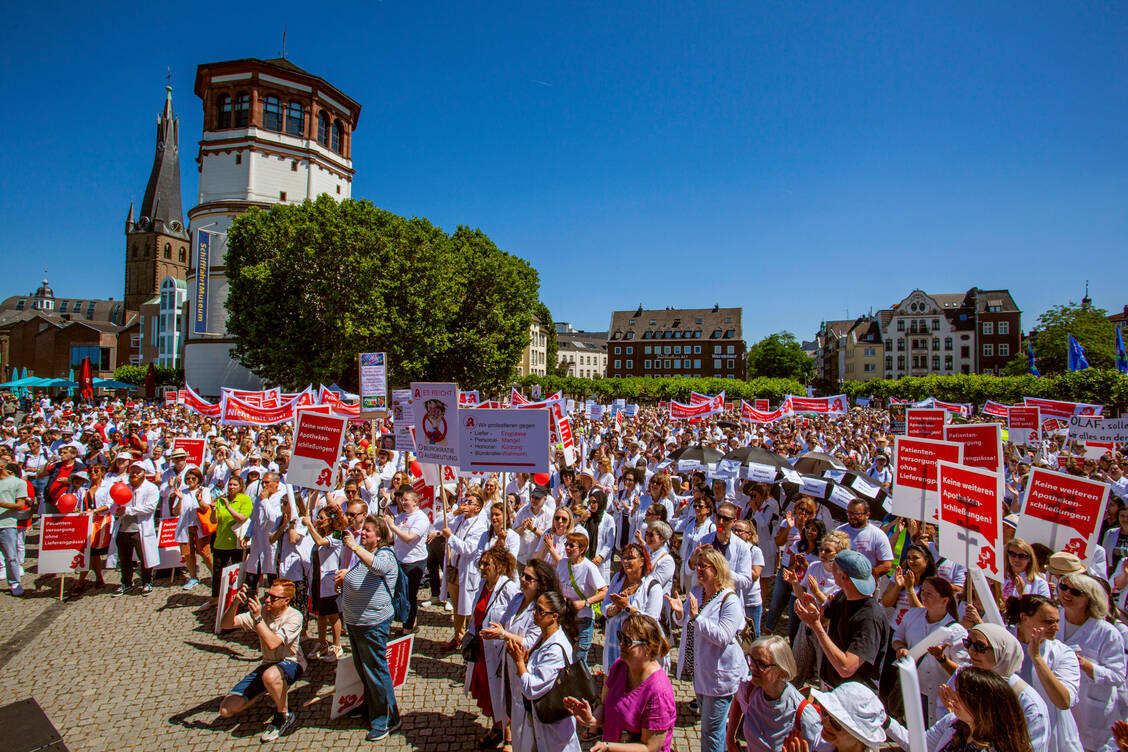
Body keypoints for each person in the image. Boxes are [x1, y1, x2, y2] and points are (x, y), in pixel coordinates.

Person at [668, 547, 746, 752]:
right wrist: (679, 613)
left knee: (712, 732)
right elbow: (685, 621)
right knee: (710, 727)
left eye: (704, 566)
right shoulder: (697, 591)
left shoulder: (730, 600)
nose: (699, 569)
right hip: (701, 670)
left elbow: (722, 636)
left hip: (720, 675)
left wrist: (697, 617)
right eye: (698, 565)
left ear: (718, 570)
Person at [565, 612, 678, 752]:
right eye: (621, 637)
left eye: (627, 641)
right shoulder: (620, 666)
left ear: (648, 648)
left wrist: (608, 747)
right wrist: (592, 720)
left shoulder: (659, 692)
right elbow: (605, 704)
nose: (621, 644)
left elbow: (650, 747)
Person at [481, 558, 557, 751]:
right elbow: (506, 621)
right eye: (523, 575)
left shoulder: (541, 610)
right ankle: (511, 738)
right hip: (509, 662)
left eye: (528, 578)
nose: (522, 579)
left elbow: (531, 641)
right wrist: (499, 632)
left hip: (527, 668)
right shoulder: (517, 598)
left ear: (541, 584)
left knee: (525, 719)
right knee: (511, 707)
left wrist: (503, 634)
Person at [218, 578, 305, 742]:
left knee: (270, 676)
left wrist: (257, 619)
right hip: (268, 665)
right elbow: (226, 624)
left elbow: (273, 643)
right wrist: (235, 602)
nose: (267, 600)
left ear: (286, 601)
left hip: (292, 661)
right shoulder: (263, 611)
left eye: (273, 597)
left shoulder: (294, 616)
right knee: (226, 709)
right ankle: (270, 691)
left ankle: (283, 715)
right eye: (267, 595)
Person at [339, 514, 402, 742]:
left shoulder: (385, 555)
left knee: (376, 671)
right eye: (362, 530)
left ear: (380, 536)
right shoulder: (365, 553)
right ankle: (371, 707)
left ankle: (387, 717)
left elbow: (376, 568)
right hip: (356, 621)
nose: (363, 533)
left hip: (373, 623)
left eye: (368, 531)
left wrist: (354, 546)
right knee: (363, 668)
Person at [794, 549, 890, 691]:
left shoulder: (870, 618)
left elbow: (846, 668)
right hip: (833, 688)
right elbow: (824, 620)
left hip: (854, 700)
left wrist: (815, 625)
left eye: (834, 567)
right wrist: (813, 613)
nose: (830, 571)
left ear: (843, 576)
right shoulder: (842, 596)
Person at [1056, 573, 1125, 752]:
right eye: (1064, 587)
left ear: (1090, 598)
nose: (1067, 594)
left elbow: (1118, 676)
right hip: (1058, 703)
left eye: (1076, 592)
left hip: (1091, 713)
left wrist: (1085, 665)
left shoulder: (1107, 633)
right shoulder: (1052, 620)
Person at [1007, 594, 1082, 752]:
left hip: (1053, 739)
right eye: (1048, 622)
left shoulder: (1063, 654)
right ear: (1024, 618)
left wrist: (1037, 658)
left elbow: (1063, 701)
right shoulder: (1004, 644)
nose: (1056, 627)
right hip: (1009, 732)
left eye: (1057, 621)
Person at [507, 590, 581, 752]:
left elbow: (532, 689)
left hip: (553, 730)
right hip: (541, 723)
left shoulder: (555, 649)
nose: (534, 613)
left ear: (554, 617)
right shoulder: (545, 639)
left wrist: (519, 663)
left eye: (540, 611)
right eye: (535, 608)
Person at [464, 545, 520, 749]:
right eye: (482, 563)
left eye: (487, 564)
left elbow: (517, 619)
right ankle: (497, 728)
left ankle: (510, 738)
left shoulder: (510, 589)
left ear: (500, 566)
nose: (481, 567)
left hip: (500, 650)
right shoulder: (483, 584)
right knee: (490, 692)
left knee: (504, 692)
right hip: (482, 649)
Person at [891, 576, 968, 722]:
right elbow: (897, 638)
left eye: (929, 594)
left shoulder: (957, 632)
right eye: (923, 591)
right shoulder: (912, 615)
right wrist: (901, 648)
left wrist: (942, 659)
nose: (923, 596)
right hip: (914, 690)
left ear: (945, 600)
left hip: (941, 698)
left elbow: (962, 672)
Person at [726, 635, 822, 752]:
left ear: (781, 671)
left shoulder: (804, 716)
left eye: (761, 664)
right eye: (751, 660)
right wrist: (730, 739)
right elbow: (737, 699)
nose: (752, 668)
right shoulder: (749, 689)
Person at [927, 667, 1034, 752]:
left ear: (981, 706)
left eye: (962, 694)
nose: (954, 697)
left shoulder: (997, 747)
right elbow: (919, 743)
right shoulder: (953, 723)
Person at [603, 542, 664, 670]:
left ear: (642, 561)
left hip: (638, 648)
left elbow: (651, 621)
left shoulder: (653, 587)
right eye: (624, 558)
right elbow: (605, 607)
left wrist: (628, 607)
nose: (626, 562)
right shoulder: (617, 579)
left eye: (630, 558)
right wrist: (615, 609)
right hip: (614, 643)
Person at [109, 459, 159, 596]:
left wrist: (128, 511)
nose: (135, 474)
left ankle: (147, 582)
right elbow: (113, 503)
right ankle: (126, 583)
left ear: (144, 473)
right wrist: (116, 511)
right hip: (123, 528)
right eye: (133, 472)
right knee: (124, 559)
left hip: (140, 528)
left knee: (145, 557)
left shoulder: (151, 488)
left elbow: (150, 507)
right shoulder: (124, 487)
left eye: (138, 472)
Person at [556, 531, 607, 666]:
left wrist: (585, 603)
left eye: (571, 546)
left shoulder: (589, 568)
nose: (567, 548)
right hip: (566, 617)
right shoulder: (562, 564)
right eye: (566, 545)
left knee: (579, 660)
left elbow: (604, 591)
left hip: (583, 619)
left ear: (582, 549)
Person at [301, 503, 345, 660]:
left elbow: (320, 542)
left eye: (321, 518)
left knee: (333, 615)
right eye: (317, 517)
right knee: (321, 615)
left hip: (329, 582)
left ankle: (337, 644)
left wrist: (309, 526)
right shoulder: (321, 533)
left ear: (330, 520)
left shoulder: (338, 535)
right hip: (317, 581)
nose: (318, 520)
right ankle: (322, 643)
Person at [384, 488, 430, 635]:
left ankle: (409, 626)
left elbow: (409, 538)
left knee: (410, 594)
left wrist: (393, 526)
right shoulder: (401, 516)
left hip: (414, 561)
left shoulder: (421, 518)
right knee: (401, 593)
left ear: (415, 502)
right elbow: (392, 538)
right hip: (400, 559)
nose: (403, 502)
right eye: (402, 500)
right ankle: (405, 621)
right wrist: (388, 526)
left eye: (406, 500)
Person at [799, 682, 887, 752]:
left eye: (835, 723)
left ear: (859, 738)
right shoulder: (821, 743)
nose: (823, 722)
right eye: (825, 712)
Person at [170, 466, 214, 590]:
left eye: (193, 478)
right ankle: (193, 577)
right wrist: (179, 499)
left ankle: (215, 575)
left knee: (205, 553)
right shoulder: (182, 492)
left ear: (198, 479)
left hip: (200, 526)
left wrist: (199, 500)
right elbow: (175, 512)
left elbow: (206, 508)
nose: (190, 481)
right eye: (188, 479)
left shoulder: (204, 490)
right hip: (185, 527)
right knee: (188, 553)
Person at [210, 476, 252, 604]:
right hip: (221, 541)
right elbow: (213, 521)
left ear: (240, 487)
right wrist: (213, 511)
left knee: (237, 573)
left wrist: (228, 507)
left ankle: (237, 600)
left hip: (236, 543)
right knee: (217, 572)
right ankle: (215, 599)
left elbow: (242, 518)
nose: (231, 487)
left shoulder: (244, 499)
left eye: (234, 485)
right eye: (230, 485)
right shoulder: (221, 500)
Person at [835, 499, 894, 579]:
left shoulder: (877, 534)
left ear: (867, 515)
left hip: (865, 584)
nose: (852, 517)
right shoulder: (839, 531)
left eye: (857, 514)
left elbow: (886, 565)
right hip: (840, 582)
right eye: (849, 513)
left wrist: (868, 577)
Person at [0, 461, 29, 596]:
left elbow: (20, 505)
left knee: (11, 556)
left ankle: (15, 583)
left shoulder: (18, 483)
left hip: (7, 524)